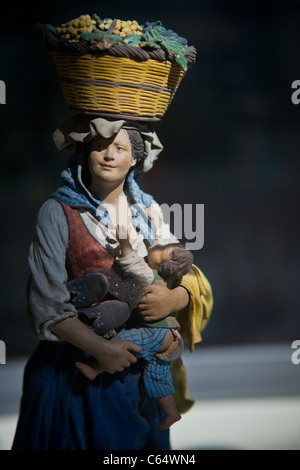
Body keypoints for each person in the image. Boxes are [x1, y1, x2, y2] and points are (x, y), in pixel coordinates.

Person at [12, 116, 213, 450]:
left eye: (118, 148)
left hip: (139, 369)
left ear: (134, 158)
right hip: (78, 369)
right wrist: (102, 350)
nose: (107, 155)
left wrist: (174, 299)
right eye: (99, 146)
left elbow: (181, 267)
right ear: (85, 153)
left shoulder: (146, 209)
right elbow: (47, 305)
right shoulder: (57, 212)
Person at [72, 223, 194, 431]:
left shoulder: (148, 275)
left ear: (163, 265)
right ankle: (171, 413)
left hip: (154, 334)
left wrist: (124, 241)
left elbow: (130, 261)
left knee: (123, 343)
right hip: (167, 338)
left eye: (160, 250)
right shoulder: (173, 279)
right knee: (157, 378)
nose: (154, 246)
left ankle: (95, 367)